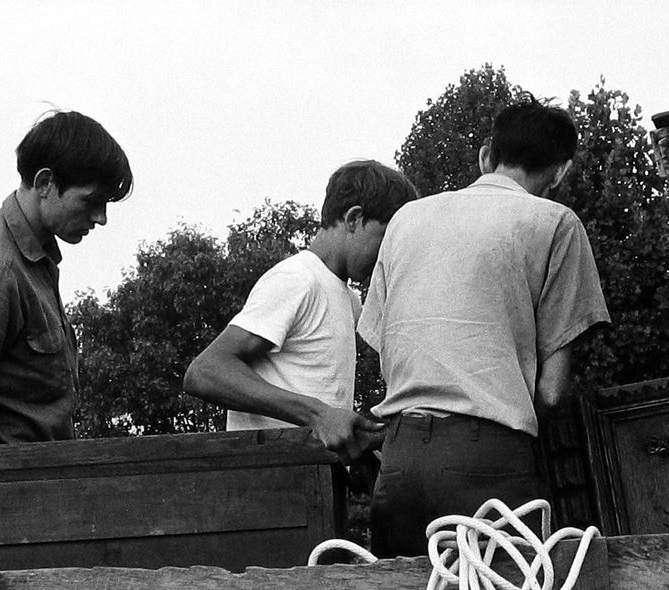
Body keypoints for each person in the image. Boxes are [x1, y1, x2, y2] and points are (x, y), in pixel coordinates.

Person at [355, 99, 610, 557]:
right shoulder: (555, 223)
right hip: (490, 460)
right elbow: (551, 392)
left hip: (399, 460)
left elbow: (384, 347)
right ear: (560, 172)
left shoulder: (405, 220)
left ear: (486, 154)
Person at [0, 111, 133, 447]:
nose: (101, 218)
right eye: (91, 201)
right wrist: (11, 493)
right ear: (45, 182)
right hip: (20, 493)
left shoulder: (33, 261)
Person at [183, 160, 417, 462]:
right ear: (354, 219)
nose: (388, 254)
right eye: (386, 239)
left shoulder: (350, 300)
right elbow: (205, 371)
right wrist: (317, 414)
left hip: (309, 481)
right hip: (267, 481)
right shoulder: (298, 279)